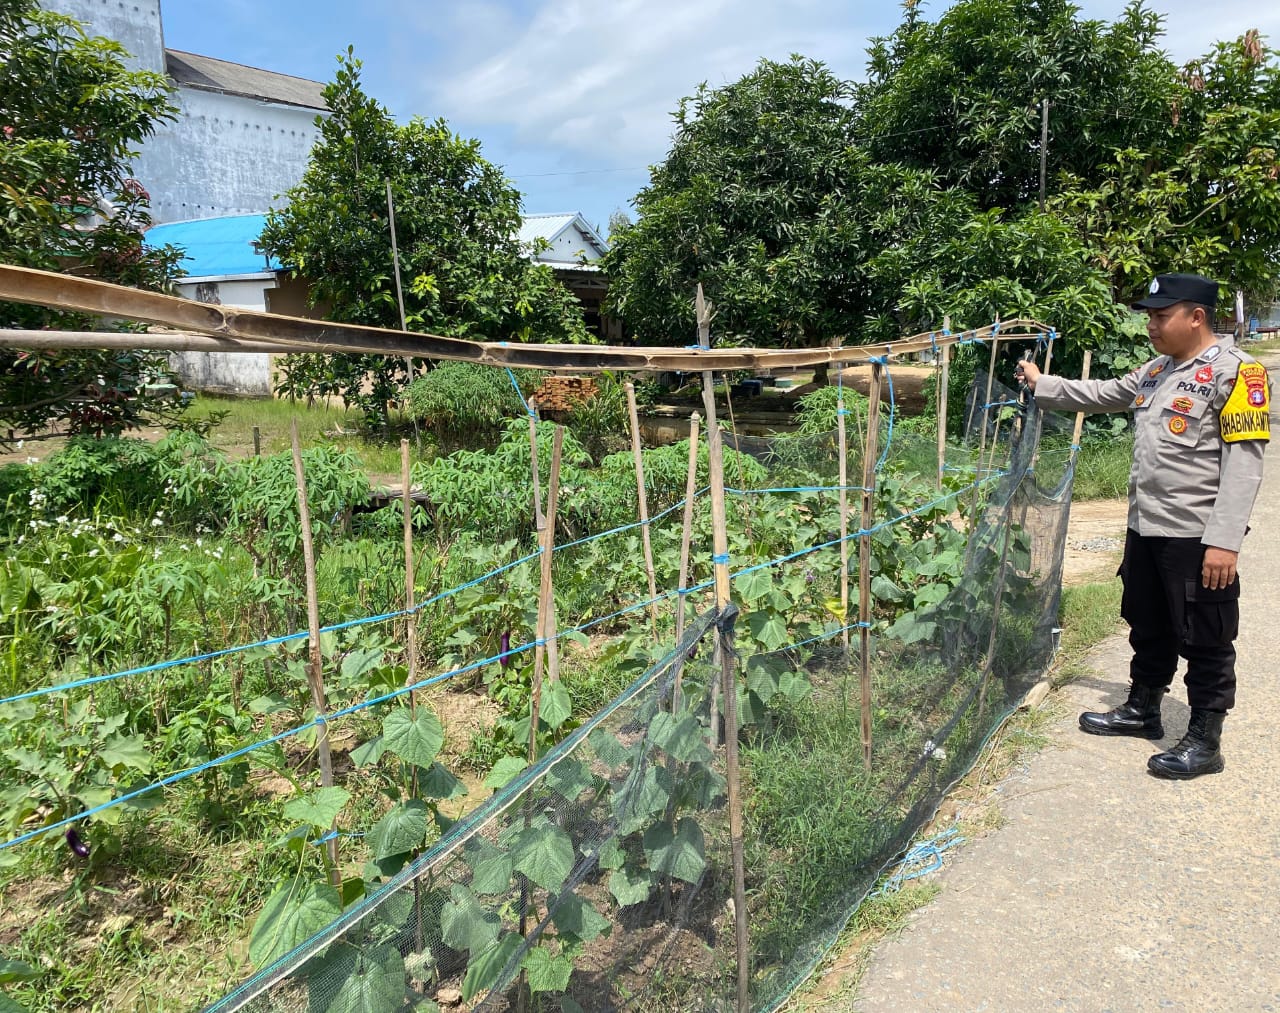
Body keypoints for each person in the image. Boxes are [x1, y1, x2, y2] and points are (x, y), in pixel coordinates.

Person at [1016, 273, 1270, 779]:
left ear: (1195, 316)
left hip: (1196, 536)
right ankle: (1143, 708)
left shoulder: (1238, 374)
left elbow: (1245, 464)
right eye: (1149, 316)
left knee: (1205, 637)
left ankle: (1204, 740)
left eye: (1160, 315)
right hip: (1146, 528)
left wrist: (1223, 541)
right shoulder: (1157, 370)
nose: (1151, 325)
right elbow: (1104, 392)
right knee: (1148, 622)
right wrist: (1042, 384)